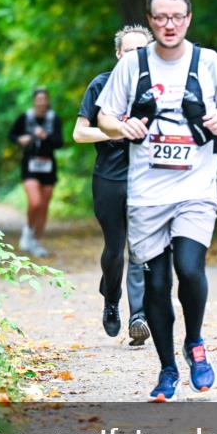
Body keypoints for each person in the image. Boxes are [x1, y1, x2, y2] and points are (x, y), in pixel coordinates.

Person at [97, 0, 217, 402]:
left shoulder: (208, 62)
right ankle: (166, 369)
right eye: (160, 17)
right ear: (150, 20)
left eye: (176, 17)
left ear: (188, 19)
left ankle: (194, 342)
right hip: (146, 194)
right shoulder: (133, 65)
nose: (169, 24)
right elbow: (105, 114)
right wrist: (120, 125)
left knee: (191, 269)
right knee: (157, 286)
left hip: (196, 187)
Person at [73, 24, 154, 347]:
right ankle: (111, 296)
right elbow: (80, 133)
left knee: (140, 248)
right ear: (119, 54)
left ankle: (138, 316)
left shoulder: (155, 89)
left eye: (141, 51)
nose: (134, 56)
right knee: (113, 249)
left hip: (146, 179)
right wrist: (118, 131)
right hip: (109, 177)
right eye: (129, 50)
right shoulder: (101, 85)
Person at [8, 87, 64, 258]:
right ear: (34, 101)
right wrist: (20, 139)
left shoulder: (54, 119)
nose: (41, 102)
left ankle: (37, 242)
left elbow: (59, 142)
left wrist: (45, 136)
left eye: (44, 99)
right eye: (38, 99)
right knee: (35, 201)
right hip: (30, 165)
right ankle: (28, 230)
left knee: (44, 206)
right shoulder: (25, 117)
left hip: (48, 166)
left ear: (47, 101)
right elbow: (11, 135)